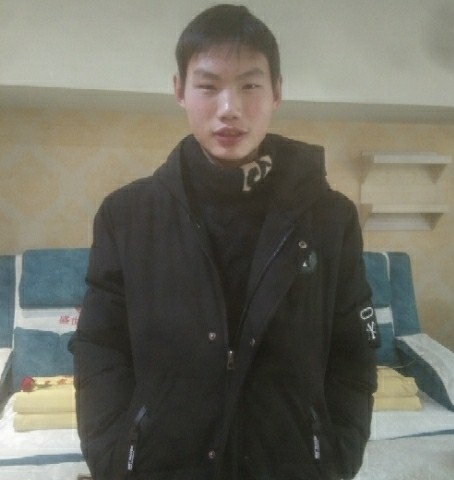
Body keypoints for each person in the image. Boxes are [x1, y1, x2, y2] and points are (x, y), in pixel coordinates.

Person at [69, 4, 379, 480]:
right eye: (208, 86)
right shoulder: (126, 216)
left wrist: (335, 459)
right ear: (179, 90)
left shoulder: (329, 218)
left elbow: (353, 351)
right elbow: (99, 346)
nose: (229, 107)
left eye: (250, 85)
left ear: (277, 91)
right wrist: (115, 456)